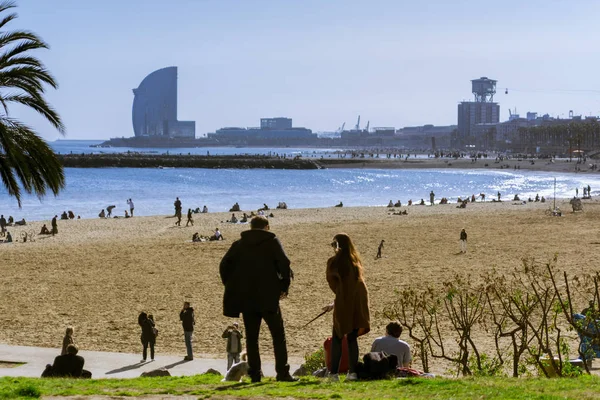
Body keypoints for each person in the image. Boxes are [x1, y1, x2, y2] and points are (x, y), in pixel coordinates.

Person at [219, 216, 296, 382]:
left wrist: (231, 285)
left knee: (252, 339)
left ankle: (255, 374)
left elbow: (224, 265)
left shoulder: (240, 244)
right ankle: (282, 373)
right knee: (278, 336)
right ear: (267, 227)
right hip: (268, 297)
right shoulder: (272, 241)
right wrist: (284, 287)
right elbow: (284, 263)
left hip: (247, 298)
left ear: (251, 227)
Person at [323, 233, 370, 382]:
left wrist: (337, 298)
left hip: (344, 302)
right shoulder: (355, 261)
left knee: (337, 337)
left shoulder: (334, 262)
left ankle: (334, 374)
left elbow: (333, 284)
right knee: (352, 338)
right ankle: (352, 373)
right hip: (358, 302)